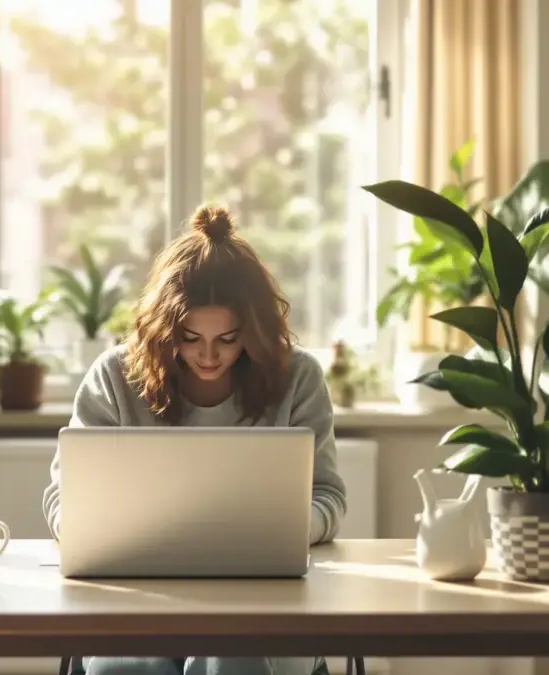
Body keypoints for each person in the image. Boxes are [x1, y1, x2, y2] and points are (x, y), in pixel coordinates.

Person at [41, 204, 348, 675]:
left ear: (255, 329)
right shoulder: (115, 377)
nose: (209, 356)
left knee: (231, 660)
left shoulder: (297, 376)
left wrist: (281, 534)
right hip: (136, 601)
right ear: (164, 329)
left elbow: (327, 495)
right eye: (189, 337)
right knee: (130, 670)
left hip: (266, 602)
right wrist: (90, 536)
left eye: (228, 338)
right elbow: (64, 500)